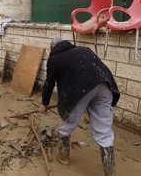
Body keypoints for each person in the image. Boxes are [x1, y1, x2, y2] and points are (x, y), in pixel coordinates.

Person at [39, 37, 120, 176]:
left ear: (52, 48)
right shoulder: (84, 50)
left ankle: (63, 157)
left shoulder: (55, 58)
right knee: (104, 131)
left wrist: (44, 103)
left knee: (67, 124)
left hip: (82, 90)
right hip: (105, 87)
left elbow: (49, 83)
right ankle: (110, 171)